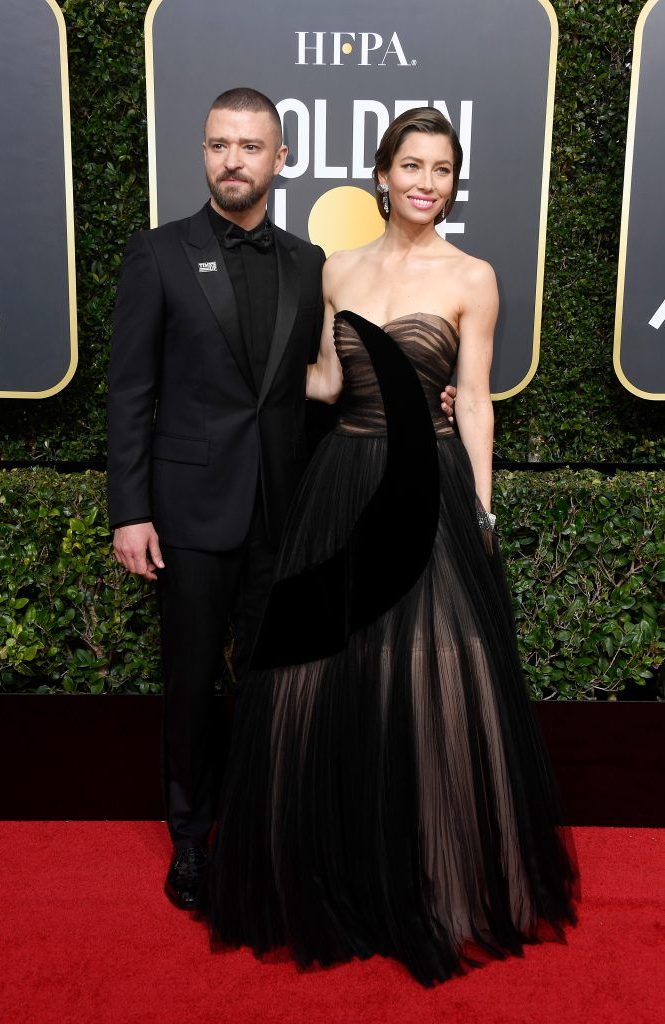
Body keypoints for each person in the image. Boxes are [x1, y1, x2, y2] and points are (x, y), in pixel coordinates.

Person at [200, 107, 578, 986]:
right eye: (411, 165)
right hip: (340, 481)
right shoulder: (336, 271)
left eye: (441, 170)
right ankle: (329, 872)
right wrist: (227, 369)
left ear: (452, 182)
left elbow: (474, 398)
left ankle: (430, 873)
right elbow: (330, 380)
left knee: (433, 676)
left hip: (426, 487)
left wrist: (480, 510)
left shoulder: (472, 276)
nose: (425, 182)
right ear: (382, 173)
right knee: (316, 677)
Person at [107, 86, 460, 911]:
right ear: (203, 153)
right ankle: (191, 844)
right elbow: (130, 392)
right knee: (192, 683)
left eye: (250, 146)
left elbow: (339, 379)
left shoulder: (312, 264)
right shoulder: (156, 254)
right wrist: (130, 509)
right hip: (190, 514)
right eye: (218, 144)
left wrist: (424, 393)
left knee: (280, 686)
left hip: (291, 512)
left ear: (281, 158)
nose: (233, 160)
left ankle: (267, 833)